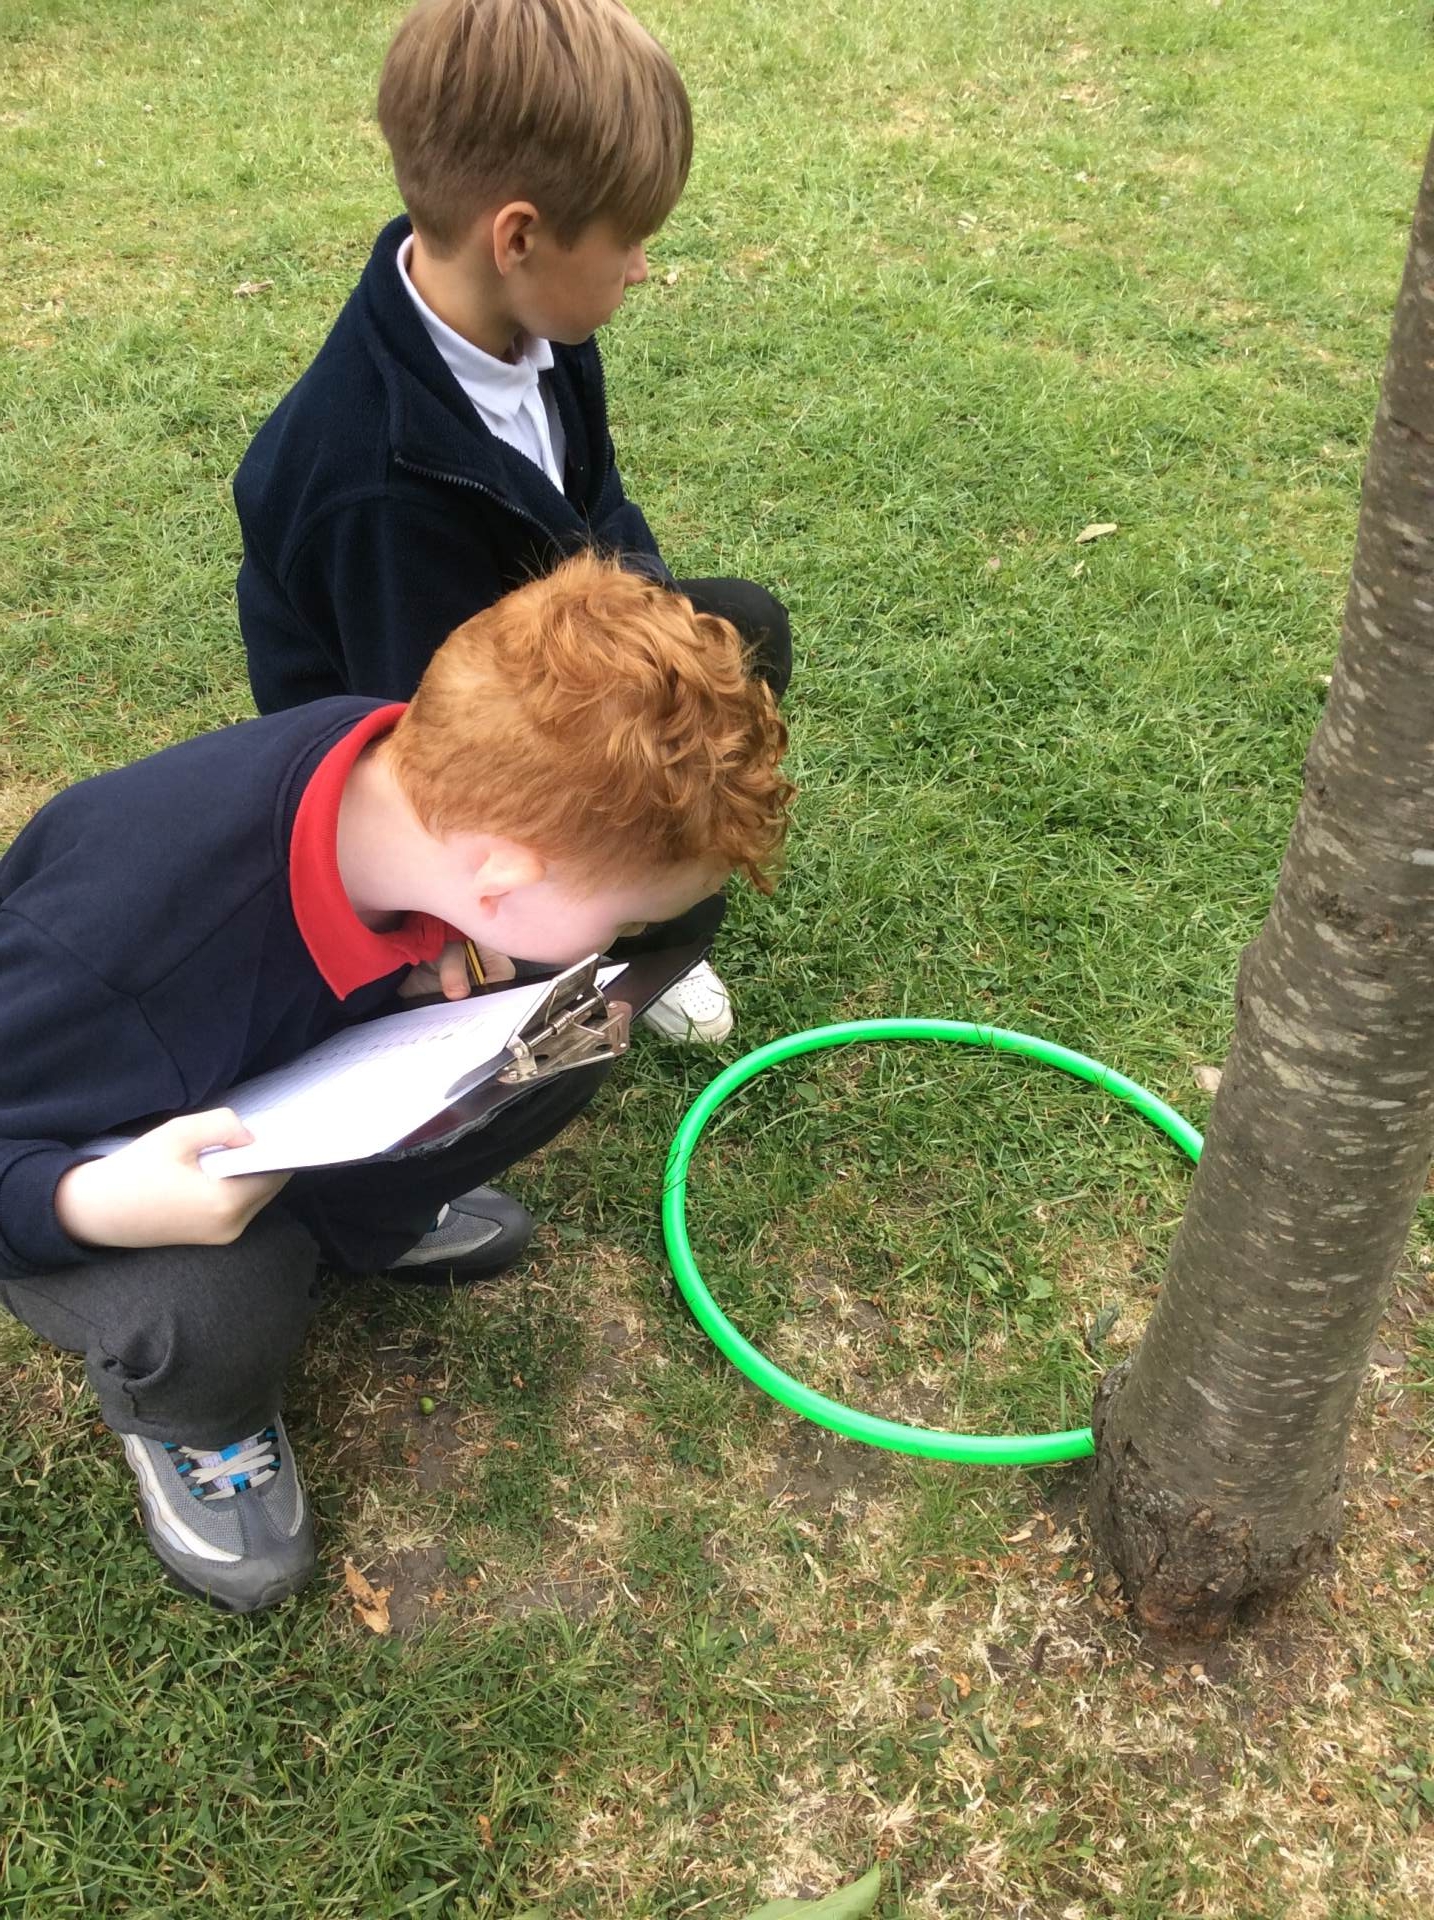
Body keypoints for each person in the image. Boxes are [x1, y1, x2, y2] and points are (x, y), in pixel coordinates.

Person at [0, 558, 793, 1613]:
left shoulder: (407, 785)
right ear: (501, 878)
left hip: (257, 1078)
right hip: (89, 1149)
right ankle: (199, 1418)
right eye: (624, 918)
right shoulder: (115, 942)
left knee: (558, 1037)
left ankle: (351, 1226)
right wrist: (92, 1202)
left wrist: (422, 960)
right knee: (216, 1302)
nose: (628, 938)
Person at [233, 0, 792, 1048]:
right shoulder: (371, 484)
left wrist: (652, 636)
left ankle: (618, 906)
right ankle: (589, 953)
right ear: (521, 237)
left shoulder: (538, 325)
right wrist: (613, 782)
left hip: (535, 644)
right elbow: (425, 742)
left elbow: (599, 504)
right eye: (629, 240)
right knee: (648, 812)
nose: (641, 267)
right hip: (435, 725)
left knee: (737, 635)